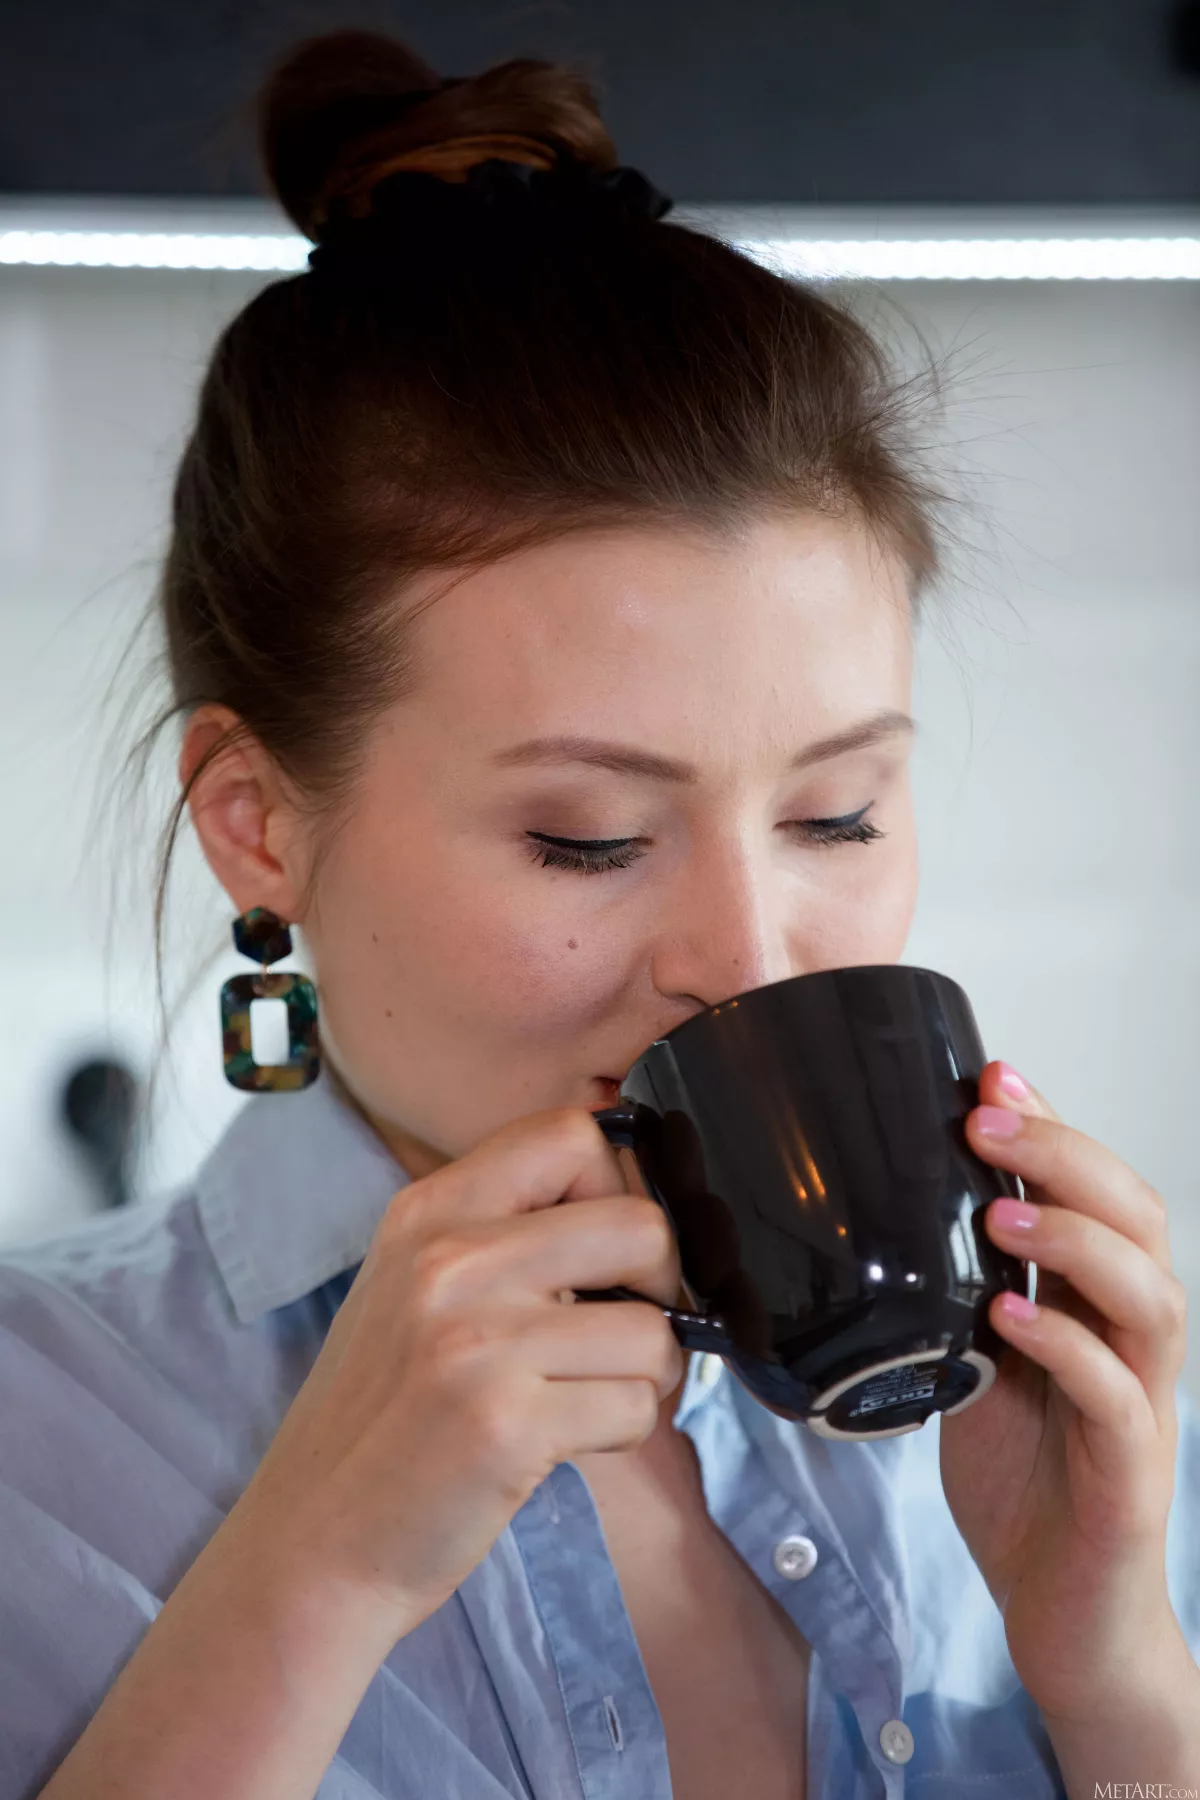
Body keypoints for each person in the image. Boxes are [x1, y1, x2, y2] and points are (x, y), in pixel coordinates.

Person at [1, 28, 1197, 1800]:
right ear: (256, 826)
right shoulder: (40, 1430)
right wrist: (311, 1583)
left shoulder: (1057, 1423)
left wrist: (1118, 1685)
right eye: (586, 838)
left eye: (837, 814)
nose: (750, 959)